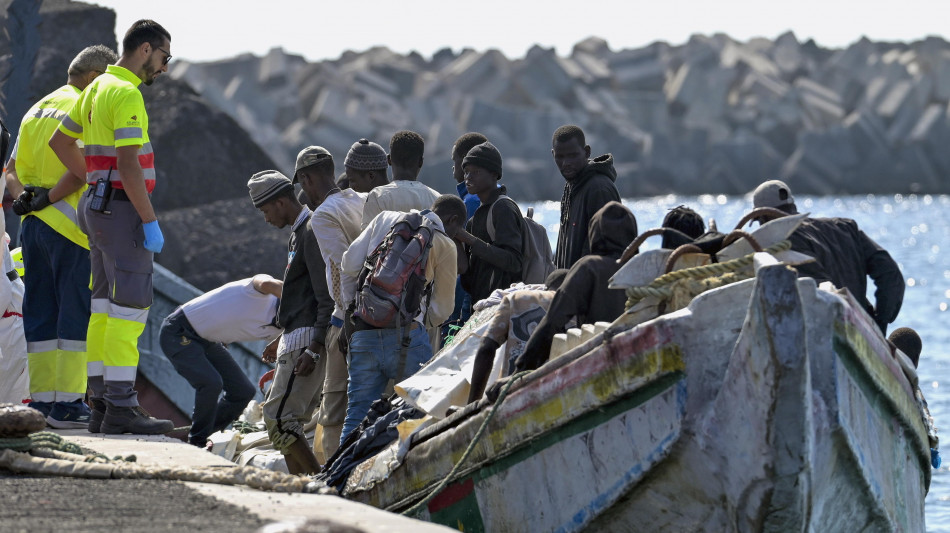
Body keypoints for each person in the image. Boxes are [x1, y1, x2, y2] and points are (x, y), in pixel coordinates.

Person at [49, 20, 173, 435]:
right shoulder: (125, 93)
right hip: (122, 211)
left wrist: (93, 178)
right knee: (129, 309)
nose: (165, 68)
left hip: (96, 206)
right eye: (163, 57)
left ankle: (101, 402)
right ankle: (121, 405)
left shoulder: (96, 88)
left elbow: (59, 142)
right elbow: (129, 164)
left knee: (102, 307)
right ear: (144, 50)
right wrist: (150, 220)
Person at [3, 45, 117, 427]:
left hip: (32, 230)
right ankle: (68, 404)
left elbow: (12, 169)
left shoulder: (36, 109)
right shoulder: (84, 107)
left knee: (39, 316)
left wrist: (25, 202)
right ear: (95, 77)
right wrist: (49, 198)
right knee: (73, 316)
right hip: (70, 229)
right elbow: (86, 168)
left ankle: (43, 403)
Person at [339, 195, 464, 442]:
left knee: (356, 416)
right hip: (408, 338)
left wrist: (353, 310)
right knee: (419, 413)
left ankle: (337, 476)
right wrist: (416, 320)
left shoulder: (384, 219)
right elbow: (442, 309)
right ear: (452, 220)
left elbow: (348, 264)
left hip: (363, 332)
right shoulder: (445, 244)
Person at [248, 170, 332, 474]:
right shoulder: (298, 233)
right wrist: (282, 335)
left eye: (267, 211)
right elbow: (302, 295)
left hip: (306, 341)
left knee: (278, 419)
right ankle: (303, 484)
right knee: (284, 422)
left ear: (281, 202)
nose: (266, 218)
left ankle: (317, 484)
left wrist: (314, 348)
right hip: (295, 337)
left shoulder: (310, 231)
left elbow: (325, 297)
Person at [751, 179, 904, 334]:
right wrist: (880, 325)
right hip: (862, 329)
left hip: (825, 331)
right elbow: (891, 274)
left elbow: (816, 293)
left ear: (762, 219)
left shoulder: (778, 245)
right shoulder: (846, 227)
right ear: (793, 206)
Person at [294, 145, 364, 459]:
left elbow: (344, 267)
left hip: (347, 317)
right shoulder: (359, 199)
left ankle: (337, 477)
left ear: (307, 179)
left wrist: (346, 320)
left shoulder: (323, 215)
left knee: (334, 405)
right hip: (376, 310)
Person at [159, 275, 281, 447]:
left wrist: (279, 341)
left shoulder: (284, 328)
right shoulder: (260, 292)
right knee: (210, 383)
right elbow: (267, 283)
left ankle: (209, 435)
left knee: (242, 391)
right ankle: (196, 442)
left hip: (208, 341)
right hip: (180, 331)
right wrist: (297, 295)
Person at [515, 201, 637, 372]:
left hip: (598, 361)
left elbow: (552, 322)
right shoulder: (644, 267)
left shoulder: (589, 267)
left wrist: (520, 369)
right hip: (636, 356)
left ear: (595, 234)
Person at [466, 269, 568, 403]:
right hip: (557, 395)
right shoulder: (579, 310)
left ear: (546, 287)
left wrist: (472, 405)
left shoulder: (516, 299)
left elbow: (486, 347)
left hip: (512, 395)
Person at [457, 142, 525, 304]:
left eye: (476, 172)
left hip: (503, 307)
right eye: (466, 172)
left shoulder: (503, 208)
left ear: (494, 174)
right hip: (481, 306)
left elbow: (514, 262)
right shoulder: (475, 218)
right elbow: (470, 276)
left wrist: (470, 240)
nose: (468, 177)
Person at [551, 124, 621, 269]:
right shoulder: (572, 187)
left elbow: (607, 252)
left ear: (587, 152)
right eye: (560, 157)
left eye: (573, 155)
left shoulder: (599, 189)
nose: (566, 163)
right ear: (553, 155)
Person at [441, 132, 489, 342]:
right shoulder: (479, 197)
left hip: (463, 300)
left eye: (455, 160)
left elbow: (463, 261)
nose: (453, 166)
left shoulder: (470, 202)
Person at [360, 130, 440, 229]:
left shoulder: (377, 196)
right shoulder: (436, 199)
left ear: (389, 159)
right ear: (420, 162)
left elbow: (367, 238)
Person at [451, 132, 488, 219]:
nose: (453, 167)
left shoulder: (472, 201)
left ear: (465, 160)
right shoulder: (496, 191)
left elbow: (471, 233)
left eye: (454, 160)